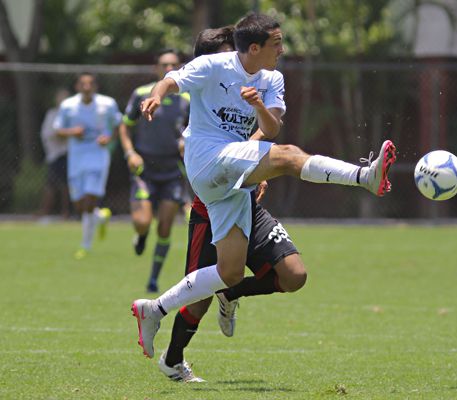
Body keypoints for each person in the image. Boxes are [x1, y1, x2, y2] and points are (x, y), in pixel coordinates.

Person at [132, 12, 396, 361]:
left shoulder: (273, 78)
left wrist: (257, 105)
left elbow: (270, 129)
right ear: (254, 47)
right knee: (287, 157)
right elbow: (171, 80)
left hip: (229, 180)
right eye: (277, 43)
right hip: (207, 158)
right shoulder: (215, 65)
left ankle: (154, 310)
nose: (283, 49)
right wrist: (156, 96)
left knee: (230, 272)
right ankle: (365, 176)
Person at [155, 26, 305, 383]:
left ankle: (232, 291)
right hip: (212, 209)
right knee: (198, 299)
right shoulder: (208, 91)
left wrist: (255, 164)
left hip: (248, 201)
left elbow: (262, 132)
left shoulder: (255, 81)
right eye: (227, 54)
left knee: (294, 275)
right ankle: (172, 360)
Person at [119, 49, 190, 292]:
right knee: (142, 222)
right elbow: (125, 127)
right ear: (156, 68)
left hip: (172, 170)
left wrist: (186, 142)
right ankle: (140, 235)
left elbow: (196, 130)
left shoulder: (187, 98)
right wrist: (131, 153)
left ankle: (153, 278)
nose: (169, 68)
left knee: (165, 228)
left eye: (174, 64)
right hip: (145, 170)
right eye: (164, 64)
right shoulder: (141, 93)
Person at [54, 73, 121, 259]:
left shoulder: (107, 104)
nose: (86, 87)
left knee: (90, 198)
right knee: (79, 204)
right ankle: (100, 217)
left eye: (90, 84)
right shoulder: (68, 106)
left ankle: (85, 245)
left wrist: (109, 138)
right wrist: (72, 132)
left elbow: (118, 125)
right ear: (77, 86)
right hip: (76, 159)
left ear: (95, 86)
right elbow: (57, 130)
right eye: (83, 84)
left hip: (98, 156)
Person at [38, 88, 71, 222]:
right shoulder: (52, 114)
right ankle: (44, 211)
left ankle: (66, 213)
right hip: (54, 155)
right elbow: (48, 133)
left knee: (65, 186)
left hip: (67, 154)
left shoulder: (72, 114)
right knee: (50, 184)